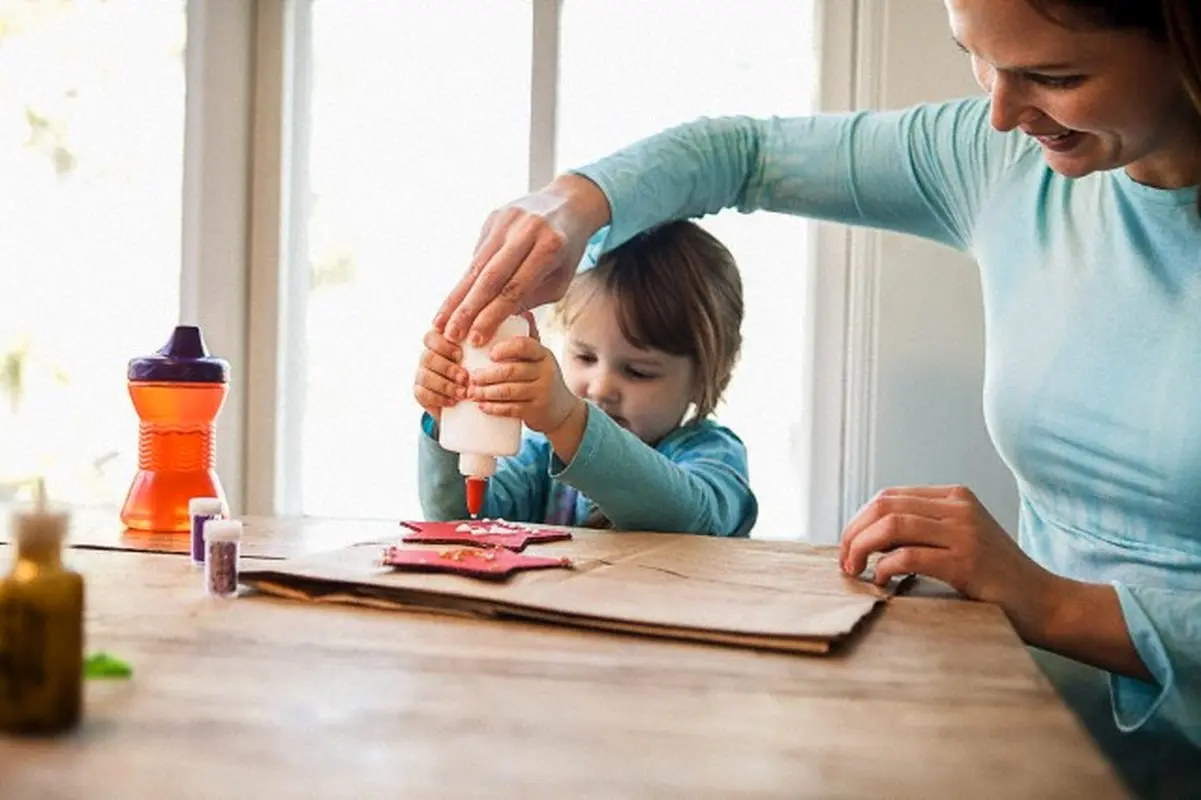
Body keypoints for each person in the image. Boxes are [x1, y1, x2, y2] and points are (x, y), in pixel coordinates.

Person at [429, 0, 1201, 793]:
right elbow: (745, 153)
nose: (1000, 115)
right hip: (1032, 727)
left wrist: (1053, 603)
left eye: (1052, 76)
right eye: (976, 58)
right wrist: (576, 204)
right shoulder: (998, 155)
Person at [414, 220, 758, 537]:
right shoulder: (539, 460)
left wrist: (569, 421)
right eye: (584, 357)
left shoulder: (713, 456)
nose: (600, 387)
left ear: (708, 375)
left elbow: (691, 523)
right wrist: (449, 422)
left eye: (637, 372)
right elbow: (461, 523)